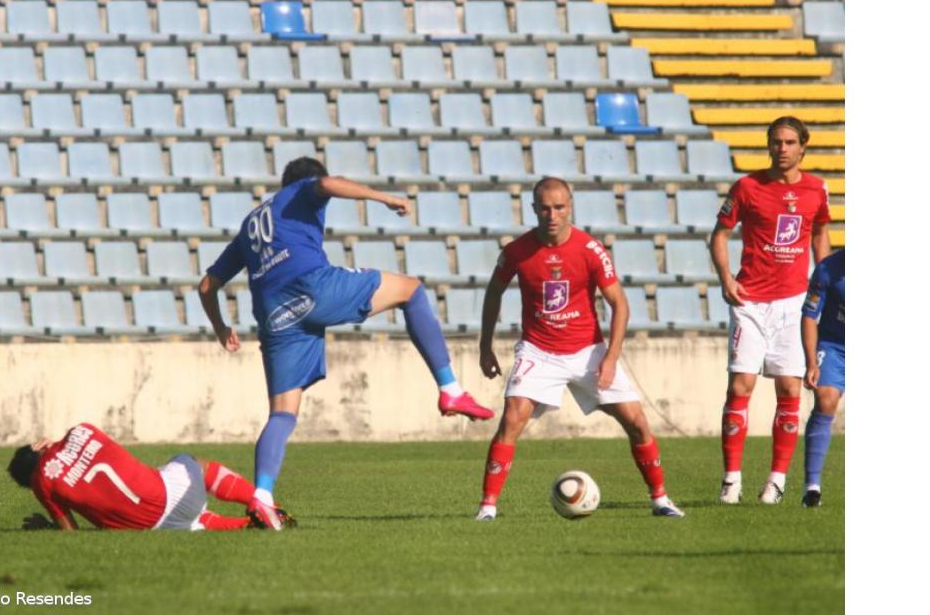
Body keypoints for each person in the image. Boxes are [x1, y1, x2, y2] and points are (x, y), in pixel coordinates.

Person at [199, 158, 496, 530]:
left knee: (282, 414)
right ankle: (450, 388)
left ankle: (262, 496)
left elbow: (208, 284)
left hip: (275, 313)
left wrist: (220, 327)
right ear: (307, 179)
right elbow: (327, 185)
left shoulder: (250, 226)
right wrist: (383, 197)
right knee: (412, 291)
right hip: (311, 286)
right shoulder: (300, 191)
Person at [475, 177, 684, 520]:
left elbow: (620, 304)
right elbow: (493, 292)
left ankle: (660, 500)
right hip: (538, 351)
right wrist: (485, 347)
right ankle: (487, 507)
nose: (552, 215)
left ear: (569, 207)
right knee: (513, 417)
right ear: (534, 209)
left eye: (559, 207)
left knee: (636, 421)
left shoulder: (590, 250)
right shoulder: (516, 251)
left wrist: (611, 359)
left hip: (587, 350)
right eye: (545, 208)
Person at [710, 116, 831, 505]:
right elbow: (720, 234)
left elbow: (820, 234)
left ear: (803, 147)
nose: (782, 148)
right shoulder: (747, 186)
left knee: (790, 389)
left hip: (794, 303)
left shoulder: (817, 189)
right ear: (769, 145)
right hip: (750, 302)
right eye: (776, 142)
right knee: (739, 386)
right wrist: (727, 277)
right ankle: (731, 480)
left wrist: (825, 283)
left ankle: (776, 481)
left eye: (790, 142)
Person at [7, 422, 290, 531]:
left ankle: (247, 526)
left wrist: (47, 526)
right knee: (192, 463)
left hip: (146, 527)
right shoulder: (81, 429)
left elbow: (71, 532)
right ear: (38, 446)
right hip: (164, 492)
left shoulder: (42, 483)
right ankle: (260, 504)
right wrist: (55, 442)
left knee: (197, 522)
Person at [800, 248, 844, 507]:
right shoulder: (828, 269)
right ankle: (812, 487)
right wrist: (811, 361)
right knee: (826, 400)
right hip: (835, 346)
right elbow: (809, 316)